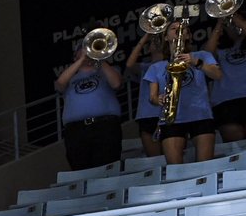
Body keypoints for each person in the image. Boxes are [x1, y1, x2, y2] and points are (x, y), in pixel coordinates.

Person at [145, 20, 223, 164]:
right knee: (175, 169)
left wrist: (195, 62)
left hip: (201, 115)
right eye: (173, 28)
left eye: (182, 29)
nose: (177, 31)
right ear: (166, 37)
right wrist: (158, 99)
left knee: (205, 166)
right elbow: (152, 98)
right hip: (171, 119)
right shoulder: (156, 67)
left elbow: (218, 75)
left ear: (187, 35)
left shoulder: (201, 55)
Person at [54, 38, 123, 170]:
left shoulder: (107, 70)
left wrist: (99, 57)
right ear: (75, 56)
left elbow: (116, 83)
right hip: (76, 130)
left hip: (105, 126)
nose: (87, 50)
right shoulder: (70, 78)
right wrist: (81, 60)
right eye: (82, 48)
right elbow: (59, 84)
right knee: (80, 170)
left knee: (108, 168)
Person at [125, 31, 168, 157]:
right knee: (155, 160)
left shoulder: (172, 63)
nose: (156, 43)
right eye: (152, 42)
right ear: (148, 48)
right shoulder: (144, 67)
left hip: (169, 113)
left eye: (159, 40)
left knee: (172, 156)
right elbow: (129, 64)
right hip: (147, 116)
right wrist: (145, 37)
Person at [206, 9, 246, 143]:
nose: (233, 25)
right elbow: (206, 55)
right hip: (225, 101)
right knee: (235, 143)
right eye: (230, 24)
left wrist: (232, 14)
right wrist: (220, 23)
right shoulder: (222, 52)